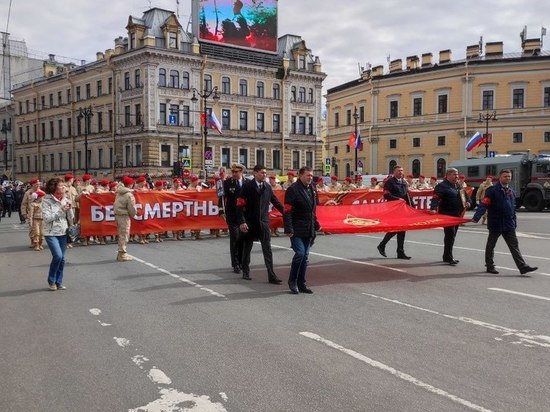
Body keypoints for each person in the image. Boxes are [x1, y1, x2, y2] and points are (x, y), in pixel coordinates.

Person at [472, 169, 537, 276]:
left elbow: (512, 208)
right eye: (505, 176)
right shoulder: (492, 190)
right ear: (500, 178)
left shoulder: (511, 191)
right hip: (496, 223)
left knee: (514, 246)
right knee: (491, 245)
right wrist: (476, 217)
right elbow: (484, 204)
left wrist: (514, 222)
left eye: (509, 176)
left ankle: (522, 267)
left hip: (508, 224)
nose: (507, 178)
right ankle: (490, 266)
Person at [237, 164, 284, 284]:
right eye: (262, 173)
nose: (264, 175)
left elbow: (275, 202)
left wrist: (286, 212)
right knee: (247, 248)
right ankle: (246, 271)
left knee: (267, 249)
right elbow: (240, 205)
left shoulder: (267, 187)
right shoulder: (247, 186)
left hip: (263, 222)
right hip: (250, 222)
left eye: (265, 173)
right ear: (255, 173)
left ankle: (271, 275)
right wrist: (242, 221)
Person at [283, 166, 320, 294]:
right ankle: (292, 281)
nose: (310, 178)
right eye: (307, 175)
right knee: (300, 254)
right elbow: (287, 211)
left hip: (309, 228)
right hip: (296, 227)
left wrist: (316, 223)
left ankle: (301, 283)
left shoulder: (312, 188)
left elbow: (313, 209)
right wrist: (288, 228)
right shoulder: (292, 189)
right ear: (300, 175)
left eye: (311, 175)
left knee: (305, 256)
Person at [430, 168, 471, 265]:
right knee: (450, 235)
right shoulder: (442, 186)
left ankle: (446, 256)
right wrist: (433, 208)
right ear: (447, 175)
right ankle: (449, 257)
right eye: (454, 174)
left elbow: (466, 196)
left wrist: (469, 202)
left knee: (452, 236)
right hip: (447, 214)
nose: (456, 176)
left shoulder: (458, 185)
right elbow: (435, 198)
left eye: (457, 174)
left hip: (457, 215)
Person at [42, 177, 74, 291]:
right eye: (61, 185)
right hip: (51, 233)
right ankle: (51, 281)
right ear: (54, 187)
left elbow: (71, 218)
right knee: (58, 256)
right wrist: (61, 210)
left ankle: (58, 282)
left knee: (62, 259)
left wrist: (69, 209)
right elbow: (47, 218)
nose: (64, 187)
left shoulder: (66, 199)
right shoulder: (46, 200)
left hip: (63, 232)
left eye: (64, 185)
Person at [376, 165, 414, 259]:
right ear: (394, 172)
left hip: (403, 209)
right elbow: (386, 195)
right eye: (398, 171)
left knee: (402, 230)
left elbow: (407, 195)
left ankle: (400, 252)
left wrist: (412, 206)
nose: (400, 172)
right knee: (396, 229)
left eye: (401, 171)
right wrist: (398, 199)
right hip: (394, 209)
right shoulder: (390, 182)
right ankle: (382, 245)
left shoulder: (404, 182)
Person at [219, 163, 246, 274]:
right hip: (232, 214)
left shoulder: (247, 183)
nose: (234, 174)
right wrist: (221, 209)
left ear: (241, 172)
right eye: (233, 172)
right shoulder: (227, 183)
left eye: (236, 172)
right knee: (235, 237)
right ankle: (235, 264)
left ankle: (241, 262)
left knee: (243, 239)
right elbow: (221, 197)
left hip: (244, 215)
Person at [113, 176, 137, 262]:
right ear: (130, 184)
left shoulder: (119, 192)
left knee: (121, 233)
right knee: (124, 234)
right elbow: (131, 208)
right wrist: (134, 214)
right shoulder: (129, 195)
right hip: (124, 215)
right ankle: (122, 254)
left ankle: (122, 253)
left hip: (118, 214)